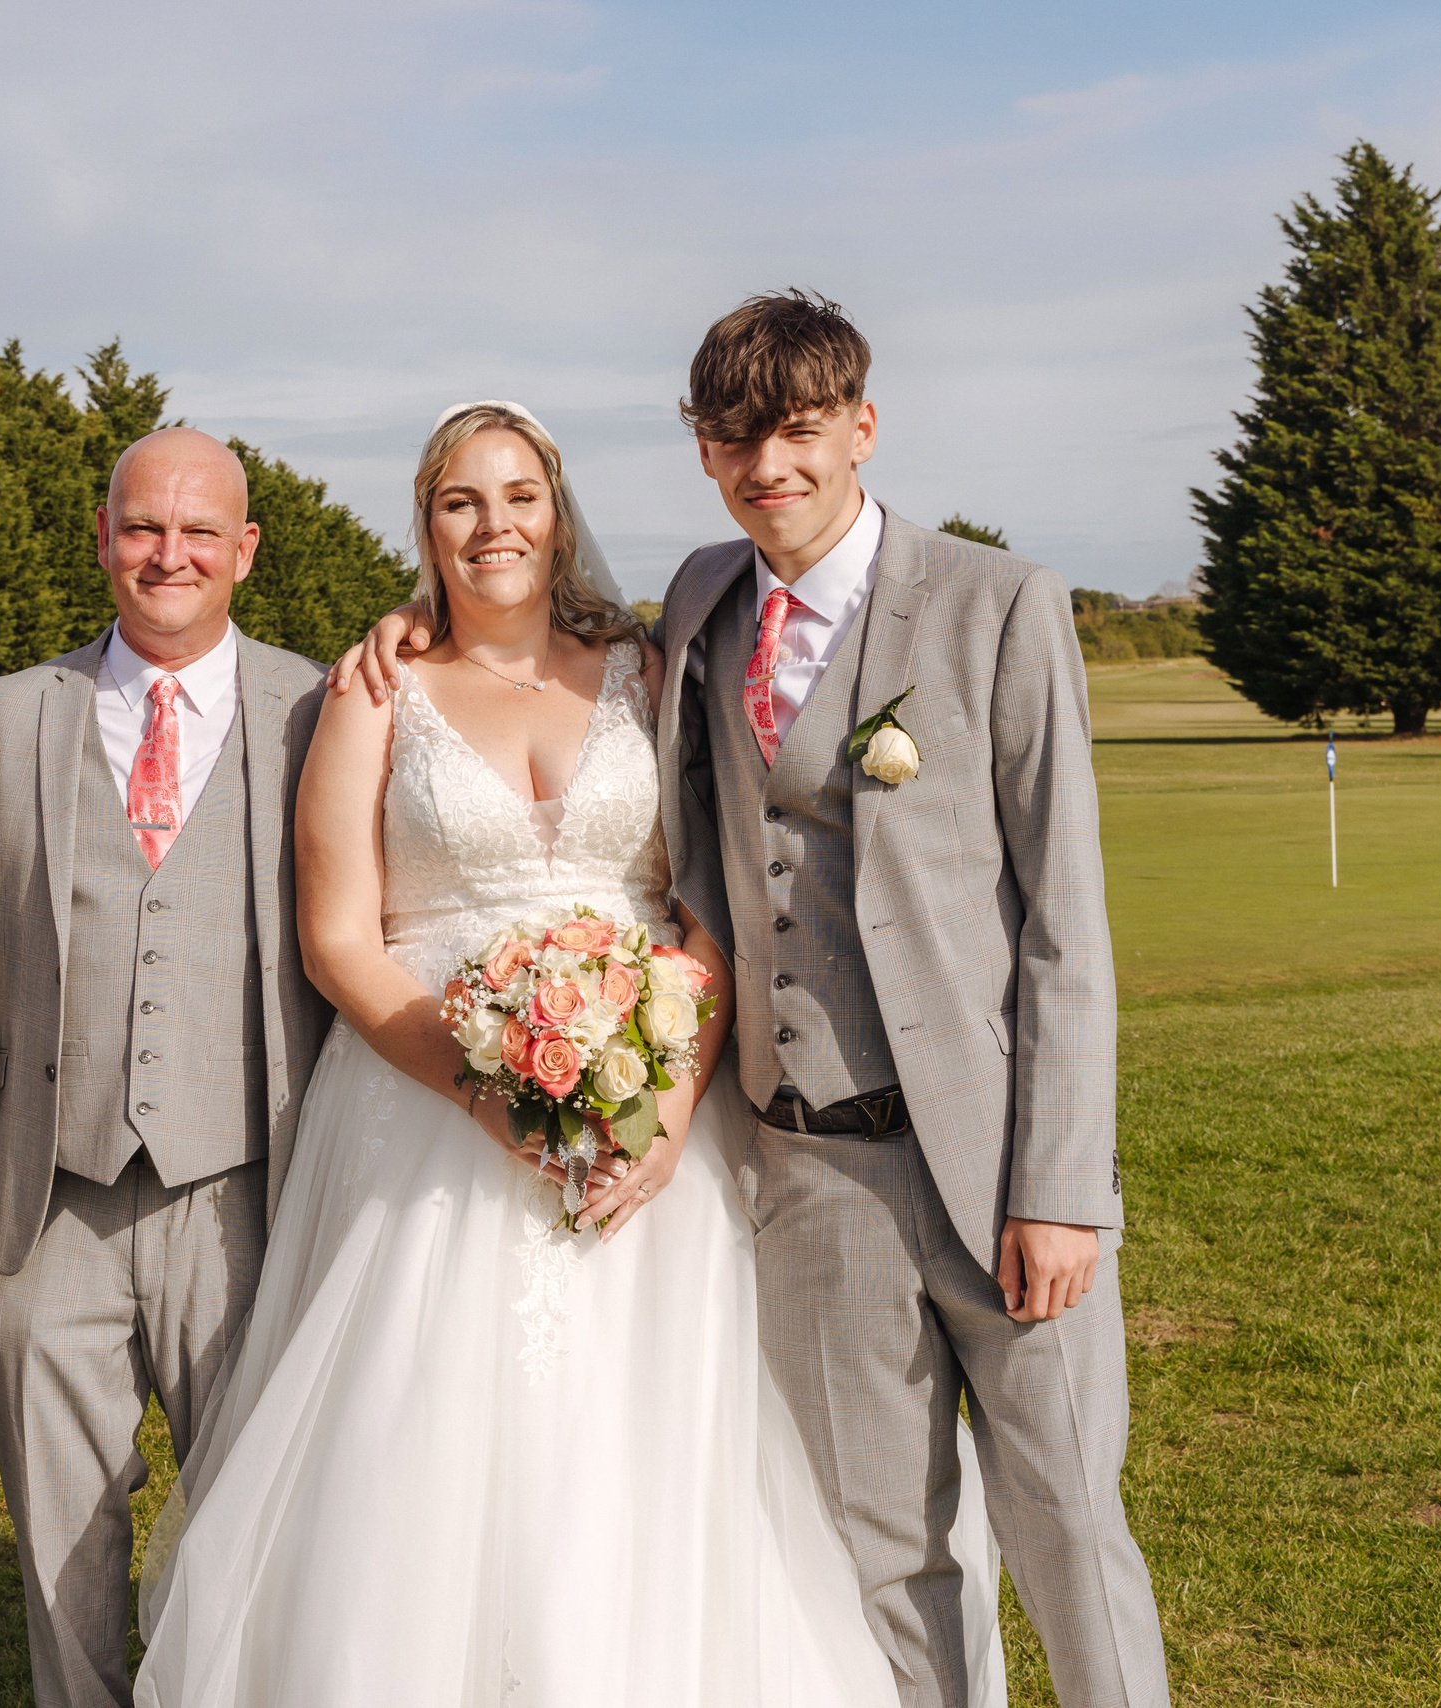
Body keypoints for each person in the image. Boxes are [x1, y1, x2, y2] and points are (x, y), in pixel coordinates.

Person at [334, 297, 1172, 1707]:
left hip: (996, 1165)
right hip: (803, 1167)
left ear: (860, 425)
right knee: (884, 1554)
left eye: (794, 429)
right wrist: (407, 619)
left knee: (1067, 1529)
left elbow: (1067, 925)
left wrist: (1063, 1187)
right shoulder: (702, 608)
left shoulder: (996, 603)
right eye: (732, 437)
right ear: (704, 451)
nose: (765, 463)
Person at [133, 403, 1003, 1708]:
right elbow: (338, 941)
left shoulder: (650, 673)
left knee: (652, 1446)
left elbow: (708, 909)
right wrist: (492, 1097)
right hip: (430, 1115)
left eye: (520, 495)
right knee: (423, 1455)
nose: (495, 526)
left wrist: (655, 1118)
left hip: (657, 1114)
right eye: (461, 502)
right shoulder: (375, 691)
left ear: (559, 508)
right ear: (426, 525)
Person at [0, 427, 332, 1708]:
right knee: (60, 1526)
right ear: (103, 537)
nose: (168, 555)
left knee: (255, 1515)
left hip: (250, 1189)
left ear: (245, 552)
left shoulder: (325, 707)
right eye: (141, 528)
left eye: (198, 532)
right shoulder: (0, 716)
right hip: (49, 1193)